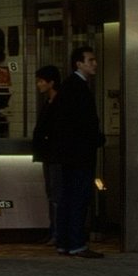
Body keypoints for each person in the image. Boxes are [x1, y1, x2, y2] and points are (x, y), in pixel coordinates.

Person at [51, 46, 106, 258]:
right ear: (79, 63)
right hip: (80, 153)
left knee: (67, 197)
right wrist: (98, 138)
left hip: (68, 154)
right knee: (79, 197)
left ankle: (64, 241)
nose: (94, 64)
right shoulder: (79, 88)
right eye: (90, 60)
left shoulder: (67, 87)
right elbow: (84, 124)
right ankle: (76, 243)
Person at [32, 65, 62, 244]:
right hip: (50, 154)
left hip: (53, 155)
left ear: (51, 82)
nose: (38, 84)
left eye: (41, 81)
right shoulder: (50, 102)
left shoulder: (55, 104)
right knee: (53, 193)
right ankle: (55, 231)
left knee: (55, 194)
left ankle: (57, 232)